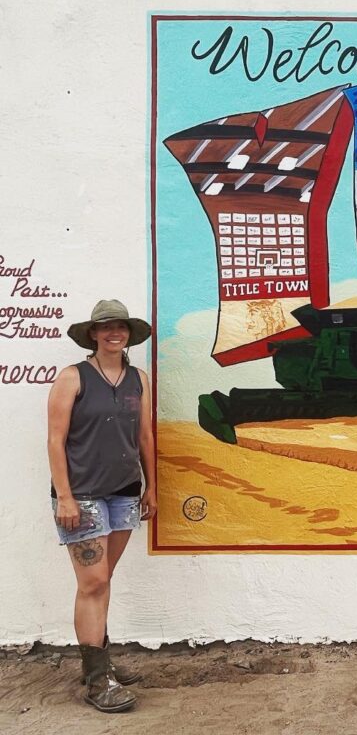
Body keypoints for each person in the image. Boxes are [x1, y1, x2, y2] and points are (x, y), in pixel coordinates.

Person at [47, 300, 156, 712]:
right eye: (106, 327)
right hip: (83, 495)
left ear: (129, 333)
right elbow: (55, 440)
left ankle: (100, 662)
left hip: (125, 492)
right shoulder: (72, 378)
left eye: (121, 327)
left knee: (102, 579)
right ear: (93, 333)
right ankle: (97, 680)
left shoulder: (138, 380)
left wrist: (151, 487)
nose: (115, 333)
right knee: (92, 584)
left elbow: (144, 438)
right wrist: (66, 497)